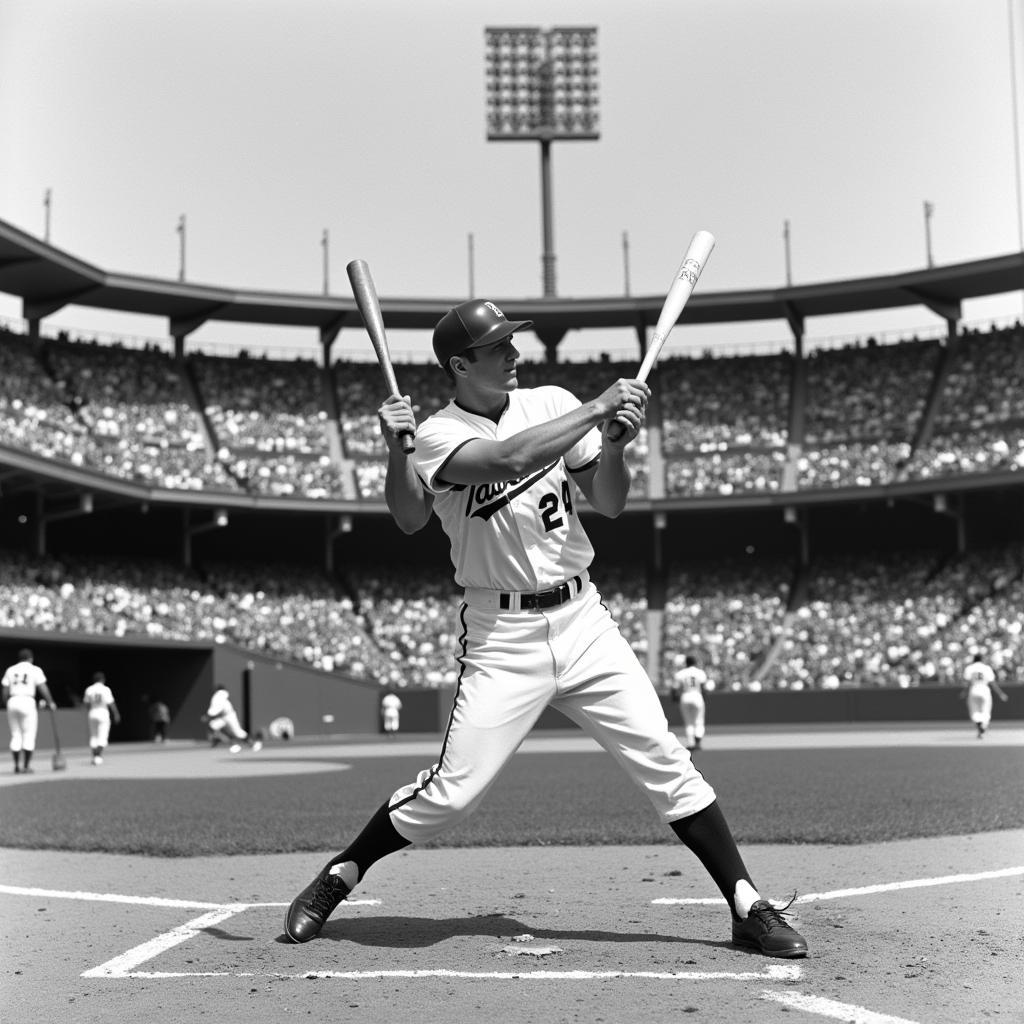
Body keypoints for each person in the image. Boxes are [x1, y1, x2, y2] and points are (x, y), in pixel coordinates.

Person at [284, 299, 807, 958]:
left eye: (512, 342)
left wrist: (612, 446)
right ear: (459, 364)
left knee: (665, 760)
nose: (514, 355)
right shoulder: (441, 433)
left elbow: (610, 501)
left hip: (583, 619)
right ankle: (341, 873)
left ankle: (746, 904)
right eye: (498, 347)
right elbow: (462, 486)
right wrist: (401, 450)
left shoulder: (551, 400)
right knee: (451, 797)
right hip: (503, 637)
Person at [2, 648, 56, 774]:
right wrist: (50, 702)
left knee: (16, 734)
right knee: (28, 734)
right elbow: (43, 688)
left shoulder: (10, 669)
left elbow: (4, 691)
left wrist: (7, 704)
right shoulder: (34, 669)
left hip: (13, 700)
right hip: (27, 700)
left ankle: (16, 765)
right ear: (30, 658)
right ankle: (26, 766)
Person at [670, 654, 712, 751]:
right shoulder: (700, 672)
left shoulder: (681, 673)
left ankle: (691, 743)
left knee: (688, 722)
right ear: (695, 662)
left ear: (686, 663)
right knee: (699, 720)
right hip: (697, 695)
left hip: (685, 695)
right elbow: (704, 687)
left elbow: (674, 688)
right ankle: (698, 740)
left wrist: (674, 699)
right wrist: (703, 698)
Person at [202, 686, 262, 753]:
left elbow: (216, 708)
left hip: (229, 716)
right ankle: (233, 744)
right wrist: (209, 715)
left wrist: (208, 716)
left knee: (238, 732)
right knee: (212, 726)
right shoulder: (221, 696)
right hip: (222, 717)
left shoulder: (218, 696)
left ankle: (253, 743)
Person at [961, 652, 1008, 739]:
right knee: (986, 710)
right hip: (984, 689)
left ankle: (978, 723)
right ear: (982, 659)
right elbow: (993, 683)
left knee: (974, 710)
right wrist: (1001, 694)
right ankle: (983, 725)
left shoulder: (969, 668)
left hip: (974, 689)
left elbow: (967, 683)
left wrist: (964, 692)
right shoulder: (986, 668)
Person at [82, 671, 121, 765]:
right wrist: (116, 714)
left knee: (94, 735)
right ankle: (97, 756)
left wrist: (89, 711)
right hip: (103, 712)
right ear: (102, 679)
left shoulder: (89, 689)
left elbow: (86, 703)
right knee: (102, 735)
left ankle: (95, 756)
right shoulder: (105, 689)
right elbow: (111, 703)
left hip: (92, 712)